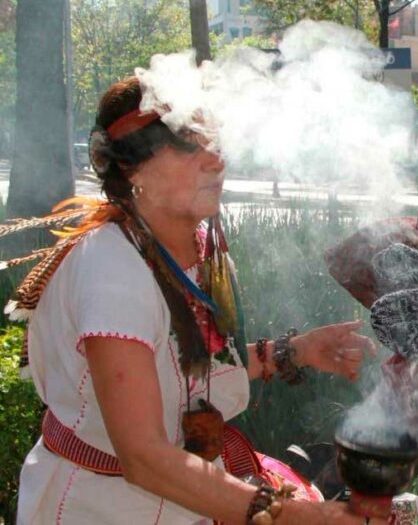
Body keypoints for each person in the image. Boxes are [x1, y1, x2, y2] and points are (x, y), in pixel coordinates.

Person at [15, 76, 383, 524]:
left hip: (187, 500)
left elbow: (183, 374)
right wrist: (294, 516)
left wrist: (295, 351)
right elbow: (145, 457)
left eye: (216, 144)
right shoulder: (110, 270)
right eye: (189, 146)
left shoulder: (199, 247)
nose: (215, 161)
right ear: (134, 168)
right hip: (100, 506)